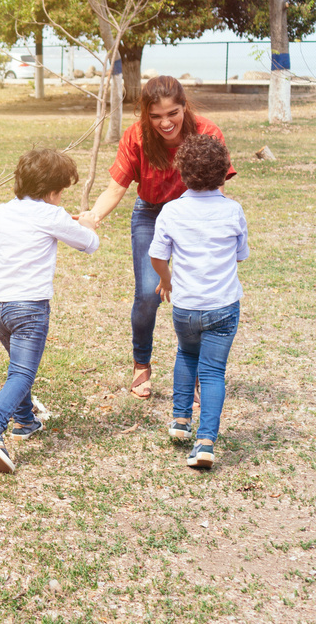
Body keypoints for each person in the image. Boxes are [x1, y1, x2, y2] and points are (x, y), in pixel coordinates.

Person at [80, 76, 235, 400]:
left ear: (184, 107)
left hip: (195, 214)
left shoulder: (207, 132)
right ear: (145, 114)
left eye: (173, 113)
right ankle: (142, 364)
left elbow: (217, 188)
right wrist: (93, 218)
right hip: (151, 214)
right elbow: (116, 188)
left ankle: (195, 374)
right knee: (149, 294)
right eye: (156, 116)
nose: (165, 122)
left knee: (200, 297)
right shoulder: (136, 137)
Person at [0, 148, 99, 473]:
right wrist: (89, 222)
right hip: (30, 308)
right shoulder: (52, 216)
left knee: (17, 366)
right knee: (23, 372)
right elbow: (89, 244)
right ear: (54, 191)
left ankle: (25, 421)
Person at [149, 134, 248, 469]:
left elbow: (157, 256)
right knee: (213, 371)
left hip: (186, 306)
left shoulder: (171, 211)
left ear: (182, 172)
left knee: (186, 355)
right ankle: (205, 441)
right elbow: (240, 256)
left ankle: (179, 421)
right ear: (223, 173)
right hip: (222, 305)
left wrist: (167, 280)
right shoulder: (233, 210)